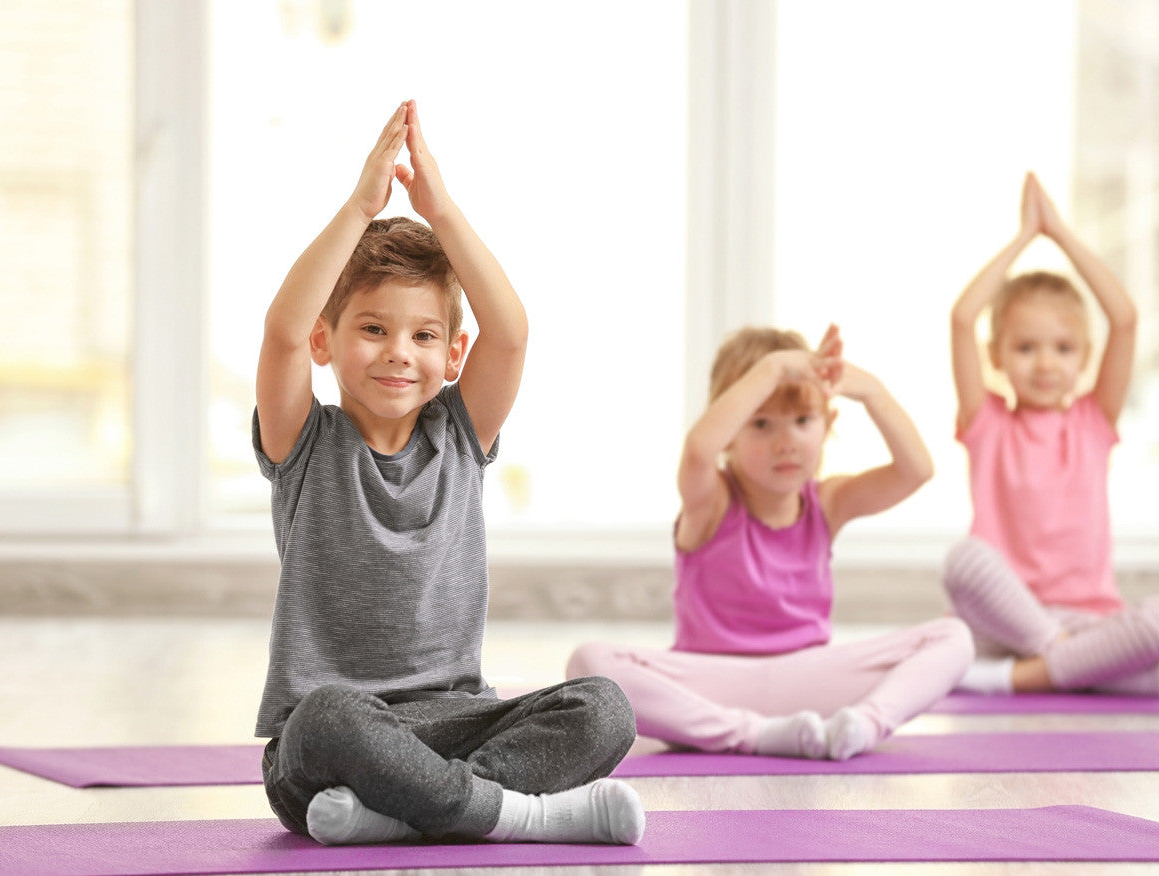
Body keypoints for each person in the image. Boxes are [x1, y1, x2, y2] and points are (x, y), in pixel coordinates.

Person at [253, 100, 644, 847]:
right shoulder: (304, 442)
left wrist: (440, 207)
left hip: (456, 723)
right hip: (330, 740)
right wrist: (361, 206)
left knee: (605, 709)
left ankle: (401, 817)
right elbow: (278, 334)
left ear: (452, 353)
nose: (400, 350)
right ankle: (515, 817)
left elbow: (512, 331)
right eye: (373, 329)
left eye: (423, 334)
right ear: (326, 341)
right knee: (331, 715)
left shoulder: (461, 435)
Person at [567, 325, 974, 760]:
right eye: (760, 424)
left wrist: (871, 391)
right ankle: (752, 734)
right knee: (587, 663)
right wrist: (774, 367)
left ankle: (862, 726)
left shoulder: (829, 502)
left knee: (955, 638)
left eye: (802, 422)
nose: (786, 443)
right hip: (712, 685)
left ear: (827, 423)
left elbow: (916, 470)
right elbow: (699, 451)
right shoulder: (711, 502)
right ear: (731, 435)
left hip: (809, 679)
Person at [943, 171, 1158, 696]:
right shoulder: (987, 424)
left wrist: (1060, 233)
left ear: (1085, 356)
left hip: (1087, 620)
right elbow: (963, 319)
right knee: (963, 560)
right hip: (1003, 622)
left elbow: (1125, 319)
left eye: (1063, 348)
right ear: (998, 356)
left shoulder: (1093, 422)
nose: (1045, 363)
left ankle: (1025, 676)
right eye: (1025, 347)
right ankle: (1066, 663)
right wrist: (1023, 238)